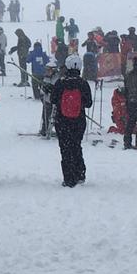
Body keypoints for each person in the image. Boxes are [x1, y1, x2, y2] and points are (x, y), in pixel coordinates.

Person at [50, 54, 93, 187]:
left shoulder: (61, 83)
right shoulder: (83, 84)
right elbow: (88, 103)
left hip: (62, 121)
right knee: (76, 146)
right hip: (78, 121)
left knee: (65, 149)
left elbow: (53, 100)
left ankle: (69, 178)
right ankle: (80, 174)